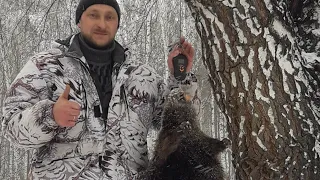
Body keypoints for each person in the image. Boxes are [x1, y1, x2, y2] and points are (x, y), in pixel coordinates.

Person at [1, 0, 198, 179]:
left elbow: (180, 127)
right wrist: (49, 115)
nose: (102, 24)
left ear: (117, 24)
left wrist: (180, 77)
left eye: (109, 17)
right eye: (93, 15)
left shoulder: (142, 76)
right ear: (79, 21)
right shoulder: (46, 66)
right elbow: (12, 128)